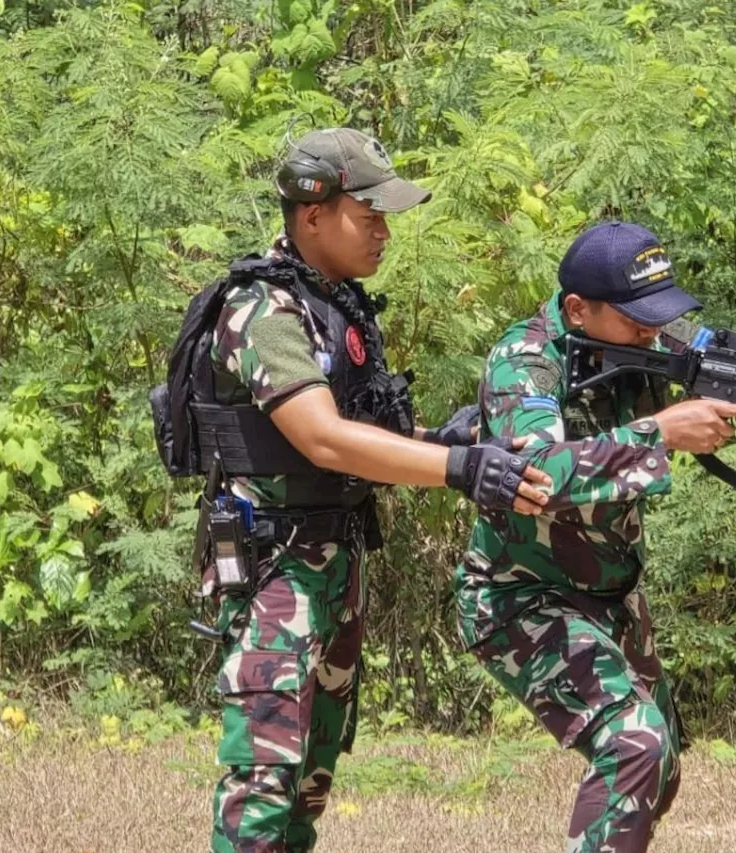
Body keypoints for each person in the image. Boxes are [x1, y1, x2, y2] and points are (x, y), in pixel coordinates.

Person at [453, 220, 736, 853]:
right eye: (638, 317)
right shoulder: (523, 362)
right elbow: (538, 475)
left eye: (658, 314)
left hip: (614, 597)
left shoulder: (647, 336)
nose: (653, 330)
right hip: (521, 597)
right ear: (578, 309)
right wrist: (660, 433)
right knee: (633, 745)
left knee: (658, 770)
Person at [187, 127, 551, 853]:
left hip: (333, 568)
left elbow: (370, 433)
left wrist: (444, 443)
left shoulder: (340, 304)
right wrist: (458, 468)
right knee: (262, 791)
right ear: (313, 214)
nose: (384, 231)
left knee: (309, 788)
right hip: (275, 577)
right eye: (369, 214)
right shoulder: (262, 311)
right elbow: (321, 436)